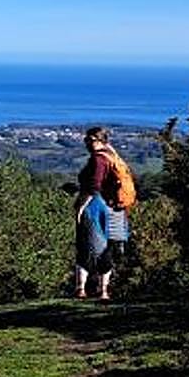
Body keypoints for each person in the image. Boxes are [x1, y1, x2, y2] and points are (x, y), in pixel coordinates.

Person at [73, 126, 130, 301]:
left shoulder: (98, 159)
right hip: (115, 208)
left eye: (90, 140)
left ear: (99, 141)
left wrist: (81, 205)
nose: (87, 143)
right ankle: (103, 290)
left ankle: (82, 289)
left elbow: (94, 185)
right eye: (86, 140)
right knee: (107, 249)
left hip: (96, 206)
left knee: (86, 247)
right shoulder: (112, 156)